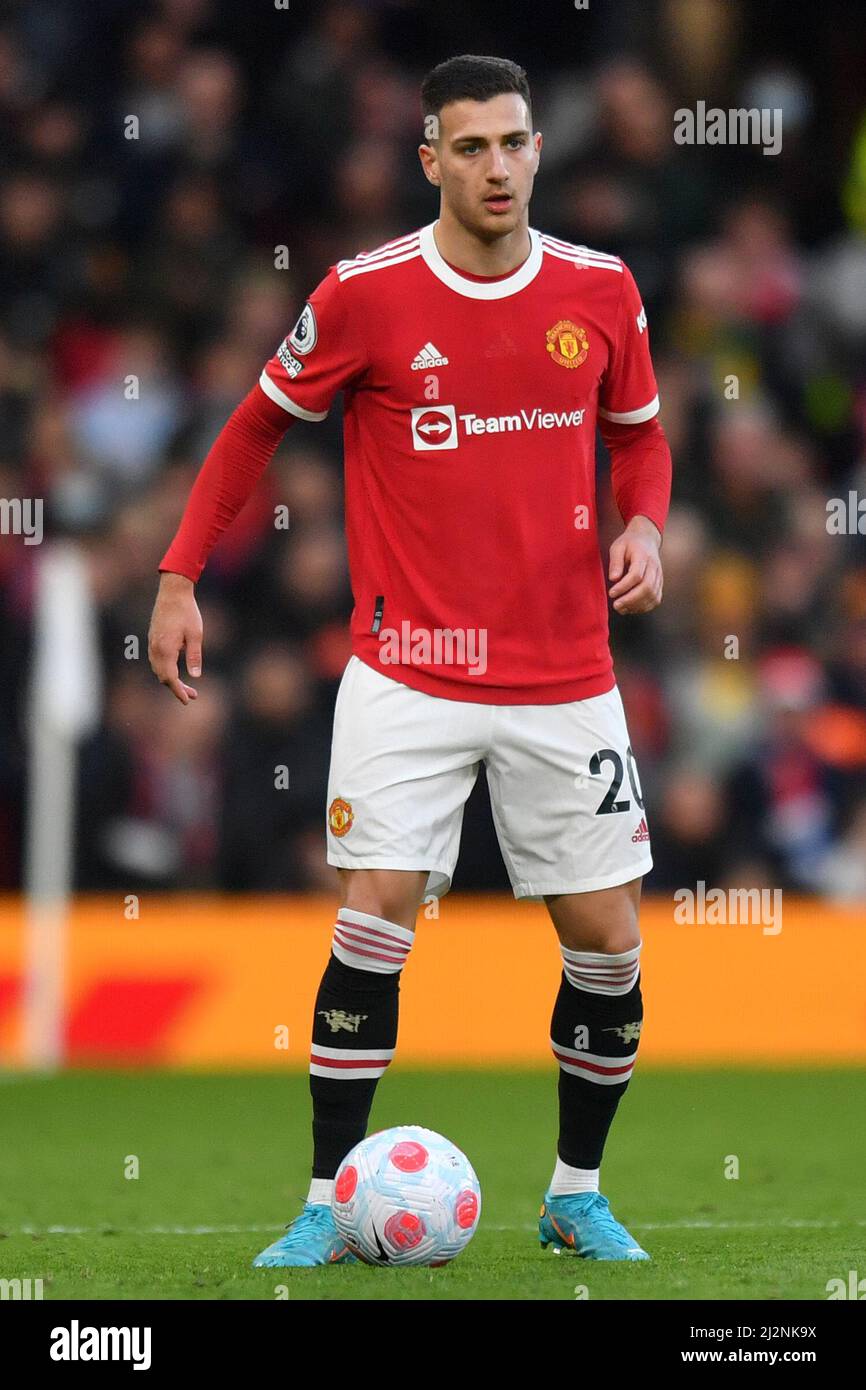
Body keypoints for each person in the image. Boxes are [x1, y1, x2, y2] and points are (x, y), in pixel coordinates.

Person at [148, 53, 672, 1266]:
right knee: (376, 909)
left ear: (540, 150)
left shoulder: (599, 290)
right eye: (471, 146)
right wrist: (178, 576)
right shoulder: (366, 293)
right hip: (408, 667)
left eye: (515, 143)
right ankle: (332, 1199)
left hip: (564, 675)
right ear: (428, 158)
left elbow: (638, 440)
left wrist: (641, 521)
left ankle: (574, 1193)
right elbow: (251, 429)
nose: (497, 166)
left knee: (604, 937)